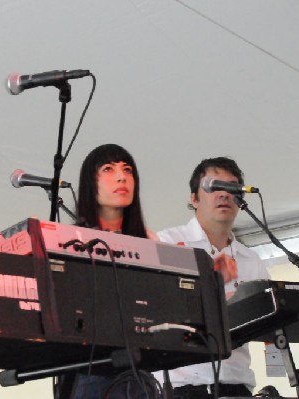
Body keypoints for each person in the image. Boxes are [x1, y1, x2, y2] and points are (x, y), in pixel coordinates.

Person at [154, 157, 267, 398]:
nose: (224, 194)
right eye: (214, 187)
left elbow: (270, 324)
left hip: (238, 387)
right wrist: (213, 281)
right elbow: (154, 307)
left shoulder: (251, 260)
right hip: (182, 388)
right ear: (194, 199)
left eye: (232, 188)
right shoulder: (168, 242)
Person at [56, 143, 157, 399]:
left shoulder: (149, 242)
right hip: (89, 370)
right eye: (108, 169)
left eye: (128, 170)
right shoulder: (71, 241)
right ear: (90, 182)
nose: (122, 176)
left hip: (140, 370)